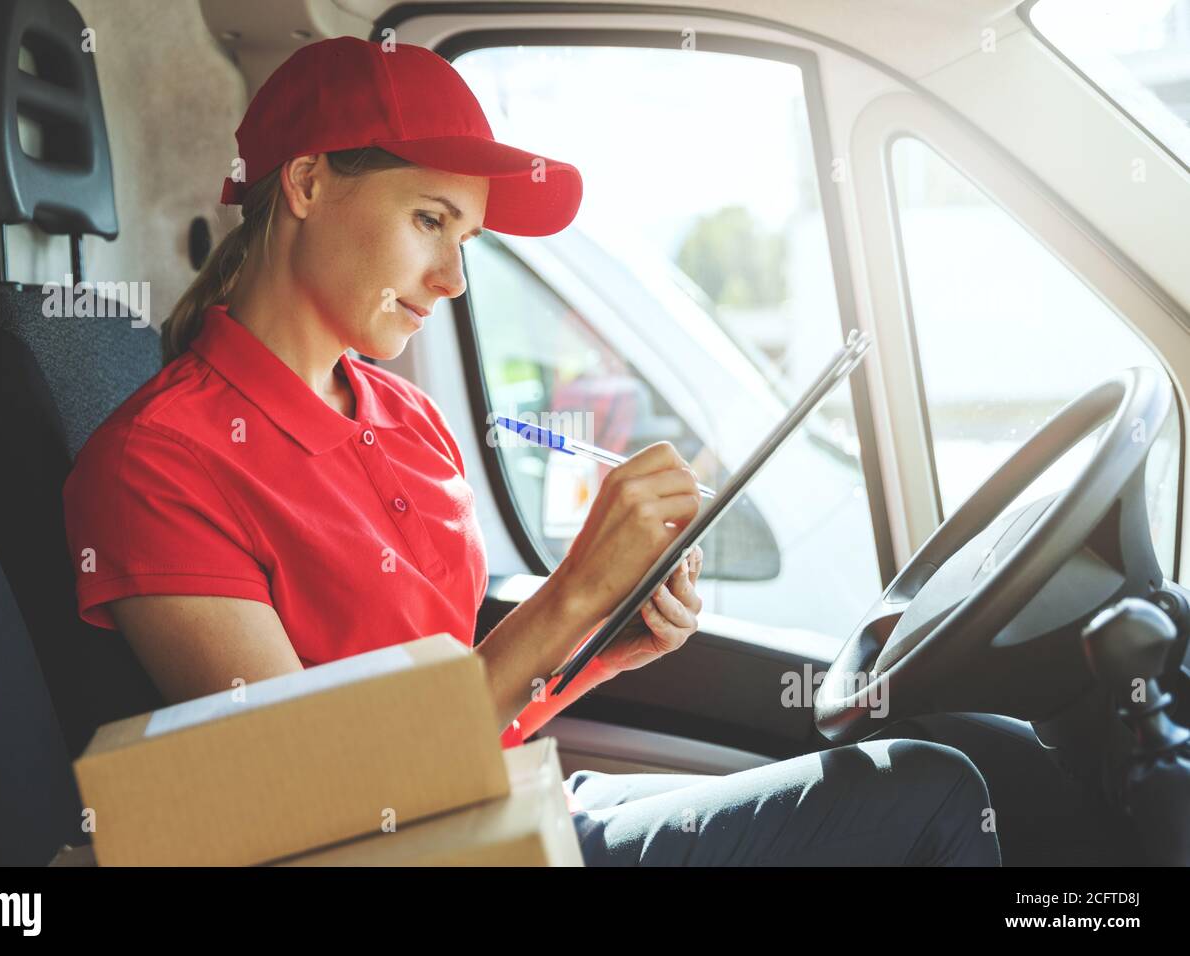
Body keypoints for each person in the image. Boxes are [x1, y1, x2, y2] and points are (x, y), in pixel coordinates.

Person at [62, 35, 1000, 866]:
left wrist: (599, 644)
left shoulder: (410, 419)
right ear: (307, 183)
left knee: (918, 778)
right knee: (929, 794)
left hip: (500, 809)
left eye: (465, 236)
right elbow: (313, 799)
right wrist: (571, 596)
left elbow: (457, 705)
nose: (455, 277)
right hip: (406, 852)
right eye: (430, 219)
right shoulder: (159, 461)